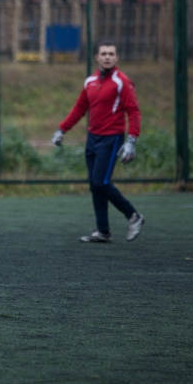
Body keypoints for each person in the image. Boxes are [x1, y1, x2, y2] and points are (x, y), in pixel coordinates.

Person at [51, 39, 144, 243]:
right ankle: (103, 231)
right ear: (97, 57)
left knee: (101, 181)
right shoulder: (90, 81)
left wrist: (131, 141)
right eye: (104, 54)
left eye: (111, 54)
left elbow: (133, 111)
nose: (107, 57)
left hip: (112, 138)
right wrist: (62, 129)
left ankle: (133, 216)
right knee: (95, 184)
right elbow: (79, 108)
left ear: (117, 58)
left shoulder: (122, 81)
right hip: (93, 138)